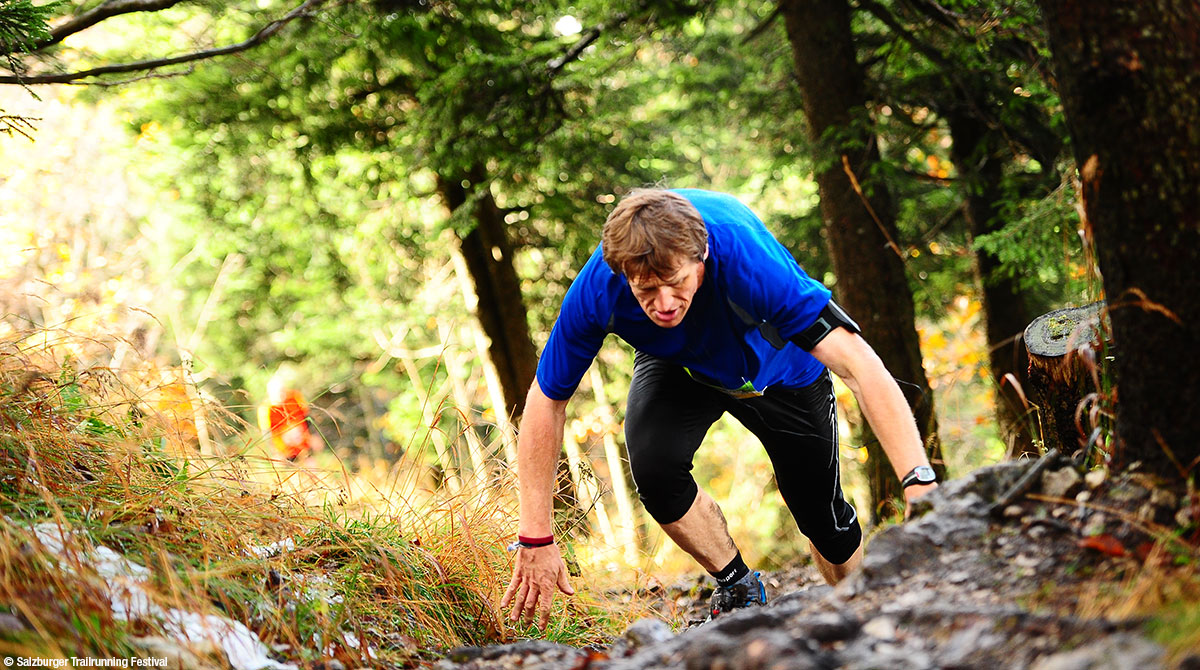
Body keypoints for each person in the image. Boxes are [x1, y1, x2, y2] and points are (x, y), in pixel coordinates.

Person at [500, 188, 939, 629]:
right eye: (647, 290)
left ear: (702, 257)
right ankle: (737, 583)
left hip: (784, 374)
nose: (665, 303)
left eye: (677, 283)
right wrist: (535, 536)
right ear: (623, 273)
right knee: (653, 466)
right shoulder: (599, 288)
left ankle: (863, 615)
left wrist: (918, 481)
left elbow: (861, 367)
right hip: (682, 364)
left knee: (825, 525)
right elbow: (546, 399)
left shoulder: (748, 259)